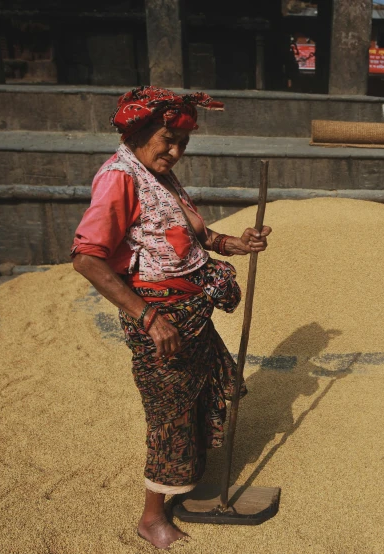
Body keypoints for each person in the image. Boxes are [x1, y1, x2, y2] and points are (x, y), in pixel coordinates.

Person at [71, 86, 272, 549]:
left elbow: (190, 237)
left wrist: (235, 244)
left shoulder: (157, 174)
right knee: (170, 418)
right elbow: (86, 258)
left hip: (191, 315)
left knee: (199, 401)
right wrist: (147, 318)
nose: (176, 151)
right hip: (162, 325)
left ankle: (185, 484)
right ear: (139, 131)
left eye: (183, 142)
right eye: (167, 139)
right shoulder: (119, 178)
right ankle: (151, 518)